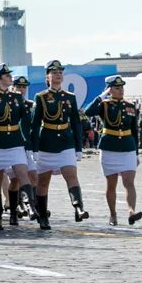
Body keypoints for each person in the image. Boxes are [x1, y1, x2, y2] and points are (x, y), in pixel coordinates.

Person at [30, 60, 87, 229]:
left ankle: (78, 207)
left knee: (71, 173)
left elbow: (76, 123)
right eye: (54, 72)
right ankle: (42, 216)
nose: (58, 75)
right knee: (43, 182)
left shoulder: (70, 97)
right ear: (47, 76)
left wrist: (78, 147)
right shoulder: (40, 97)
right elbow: (34, 124)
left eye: (60, 72)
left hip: (65, 141)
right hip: (47, 141)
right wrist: (34, 149)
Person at [0, 63, 38, 229]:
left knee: (22, 173)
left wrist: (28, 145)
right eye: (6, 76)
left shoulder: (16, 97)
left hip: (15, 140)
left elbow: (25, 123)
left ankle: (31, 207)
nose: (10, 78)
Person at [85, 75, 142, 226]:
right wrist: (102, 96)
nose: (121, 90)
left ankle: (131, 211)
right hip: (109, 147)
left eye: (122, 87)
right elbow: (88, 112)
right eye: (117, 88)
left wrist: (136, 152)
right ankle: (113, 214)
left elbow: (134, 131)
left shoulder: (129, 105)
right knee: (112, 184)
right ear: (110, 90)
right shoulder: (104, 105)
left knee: (129, 182)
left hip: (128, 147)